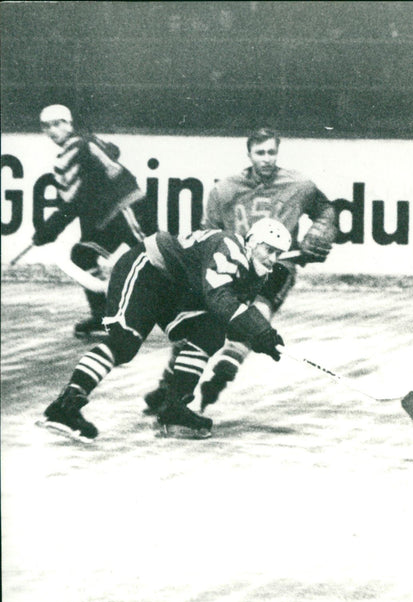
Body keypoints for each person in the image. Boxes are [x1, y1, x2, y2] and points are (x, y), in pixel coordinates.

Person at [39, 218, 293, 441]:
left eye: (277, 253)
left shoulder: (256, 273)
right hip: (146, 270)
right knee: (125, 342)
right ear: (251, 242)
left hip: (173, 288)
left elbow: (232, 317)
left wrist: (260, 339)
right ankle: (64, 407)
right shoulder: (230, 248)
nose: (272, 258)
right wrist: (261, 331)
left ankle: (175, 409)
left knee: (209, 333)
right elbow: (219, 298)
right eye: (268, 249)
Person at [142, 127, 337, 414]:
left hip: (275, 266)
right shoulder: (224, 189)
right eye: (260, 153)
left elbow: (326, 209)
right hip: (232, 266)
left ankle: (221, 375)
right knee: (200, 321)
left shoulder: (300, 184)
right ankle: (170, 386)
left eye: (271, 152)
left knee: (255, 315)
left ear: (277, 152)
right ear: (249, 154)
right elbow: (208, 233)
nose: (266, 158)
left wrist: (319, 232)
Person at [33, 104, 157, 337]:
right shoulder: (87, 141)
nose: (52, 130)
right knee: (83, 255)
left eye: (58, 123)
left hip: (127, 208)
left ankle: (196, 308)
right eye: (47, 126)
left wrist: (47, 231)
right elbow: (113, 151)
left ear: (69, 124)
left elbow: (71, 204)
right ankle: (103, 317)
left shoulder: (72, 151)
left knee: (156, 259)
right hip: (112, 217)